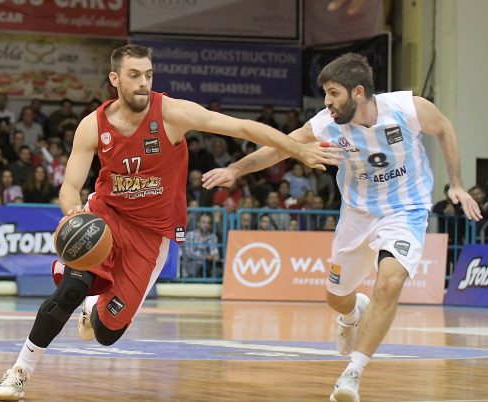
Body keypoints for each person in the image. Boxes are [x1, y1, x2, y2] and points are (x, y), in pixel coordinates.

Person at [0, 44, 342, 401]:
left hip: (151, 233)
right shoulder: (93, 126)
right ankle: (19, 371)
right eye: (134, 75)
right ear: (115, 79)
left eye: (148, 75)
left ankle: (94, 308)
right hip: (106, 217)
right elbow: (69, 188)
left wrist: (298, 150)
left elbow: (241, 127)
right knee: (71, 289)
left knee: (107, 333)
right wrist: (74, 212)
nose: (143, 83)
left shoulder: (172, 114)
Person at [202, 53, 482, 402]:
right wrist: (236, 170)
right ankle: (351, 314)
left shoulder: (408, 108)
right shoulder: (326, 124)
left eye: (333, 93)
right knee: (336, 298)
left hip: (405, 210)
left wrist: (456, 184)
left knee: (390, 283)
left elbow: (444, 128)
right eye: (326, 94)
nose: (327, 101)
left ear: (358, 92)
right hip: (357, 214)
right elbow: (279, 149)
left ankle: (353, 373)